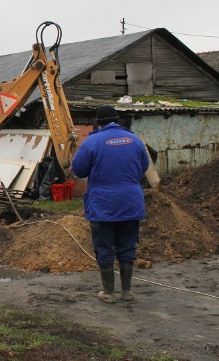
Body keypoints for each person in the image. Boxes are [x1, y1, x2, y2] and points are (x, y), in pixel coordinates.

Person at [71, 105, 149, 303]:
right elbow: (144, 167)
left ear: (99, 123)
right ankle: (127, 292)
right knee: (128, 245)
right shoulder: (135, 140)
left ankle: (108, 292)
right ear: (118, 120)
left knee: (104, 246)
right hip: (131, 203)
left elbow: (78, 170)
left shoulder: (92, 142)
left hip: (103, 204)